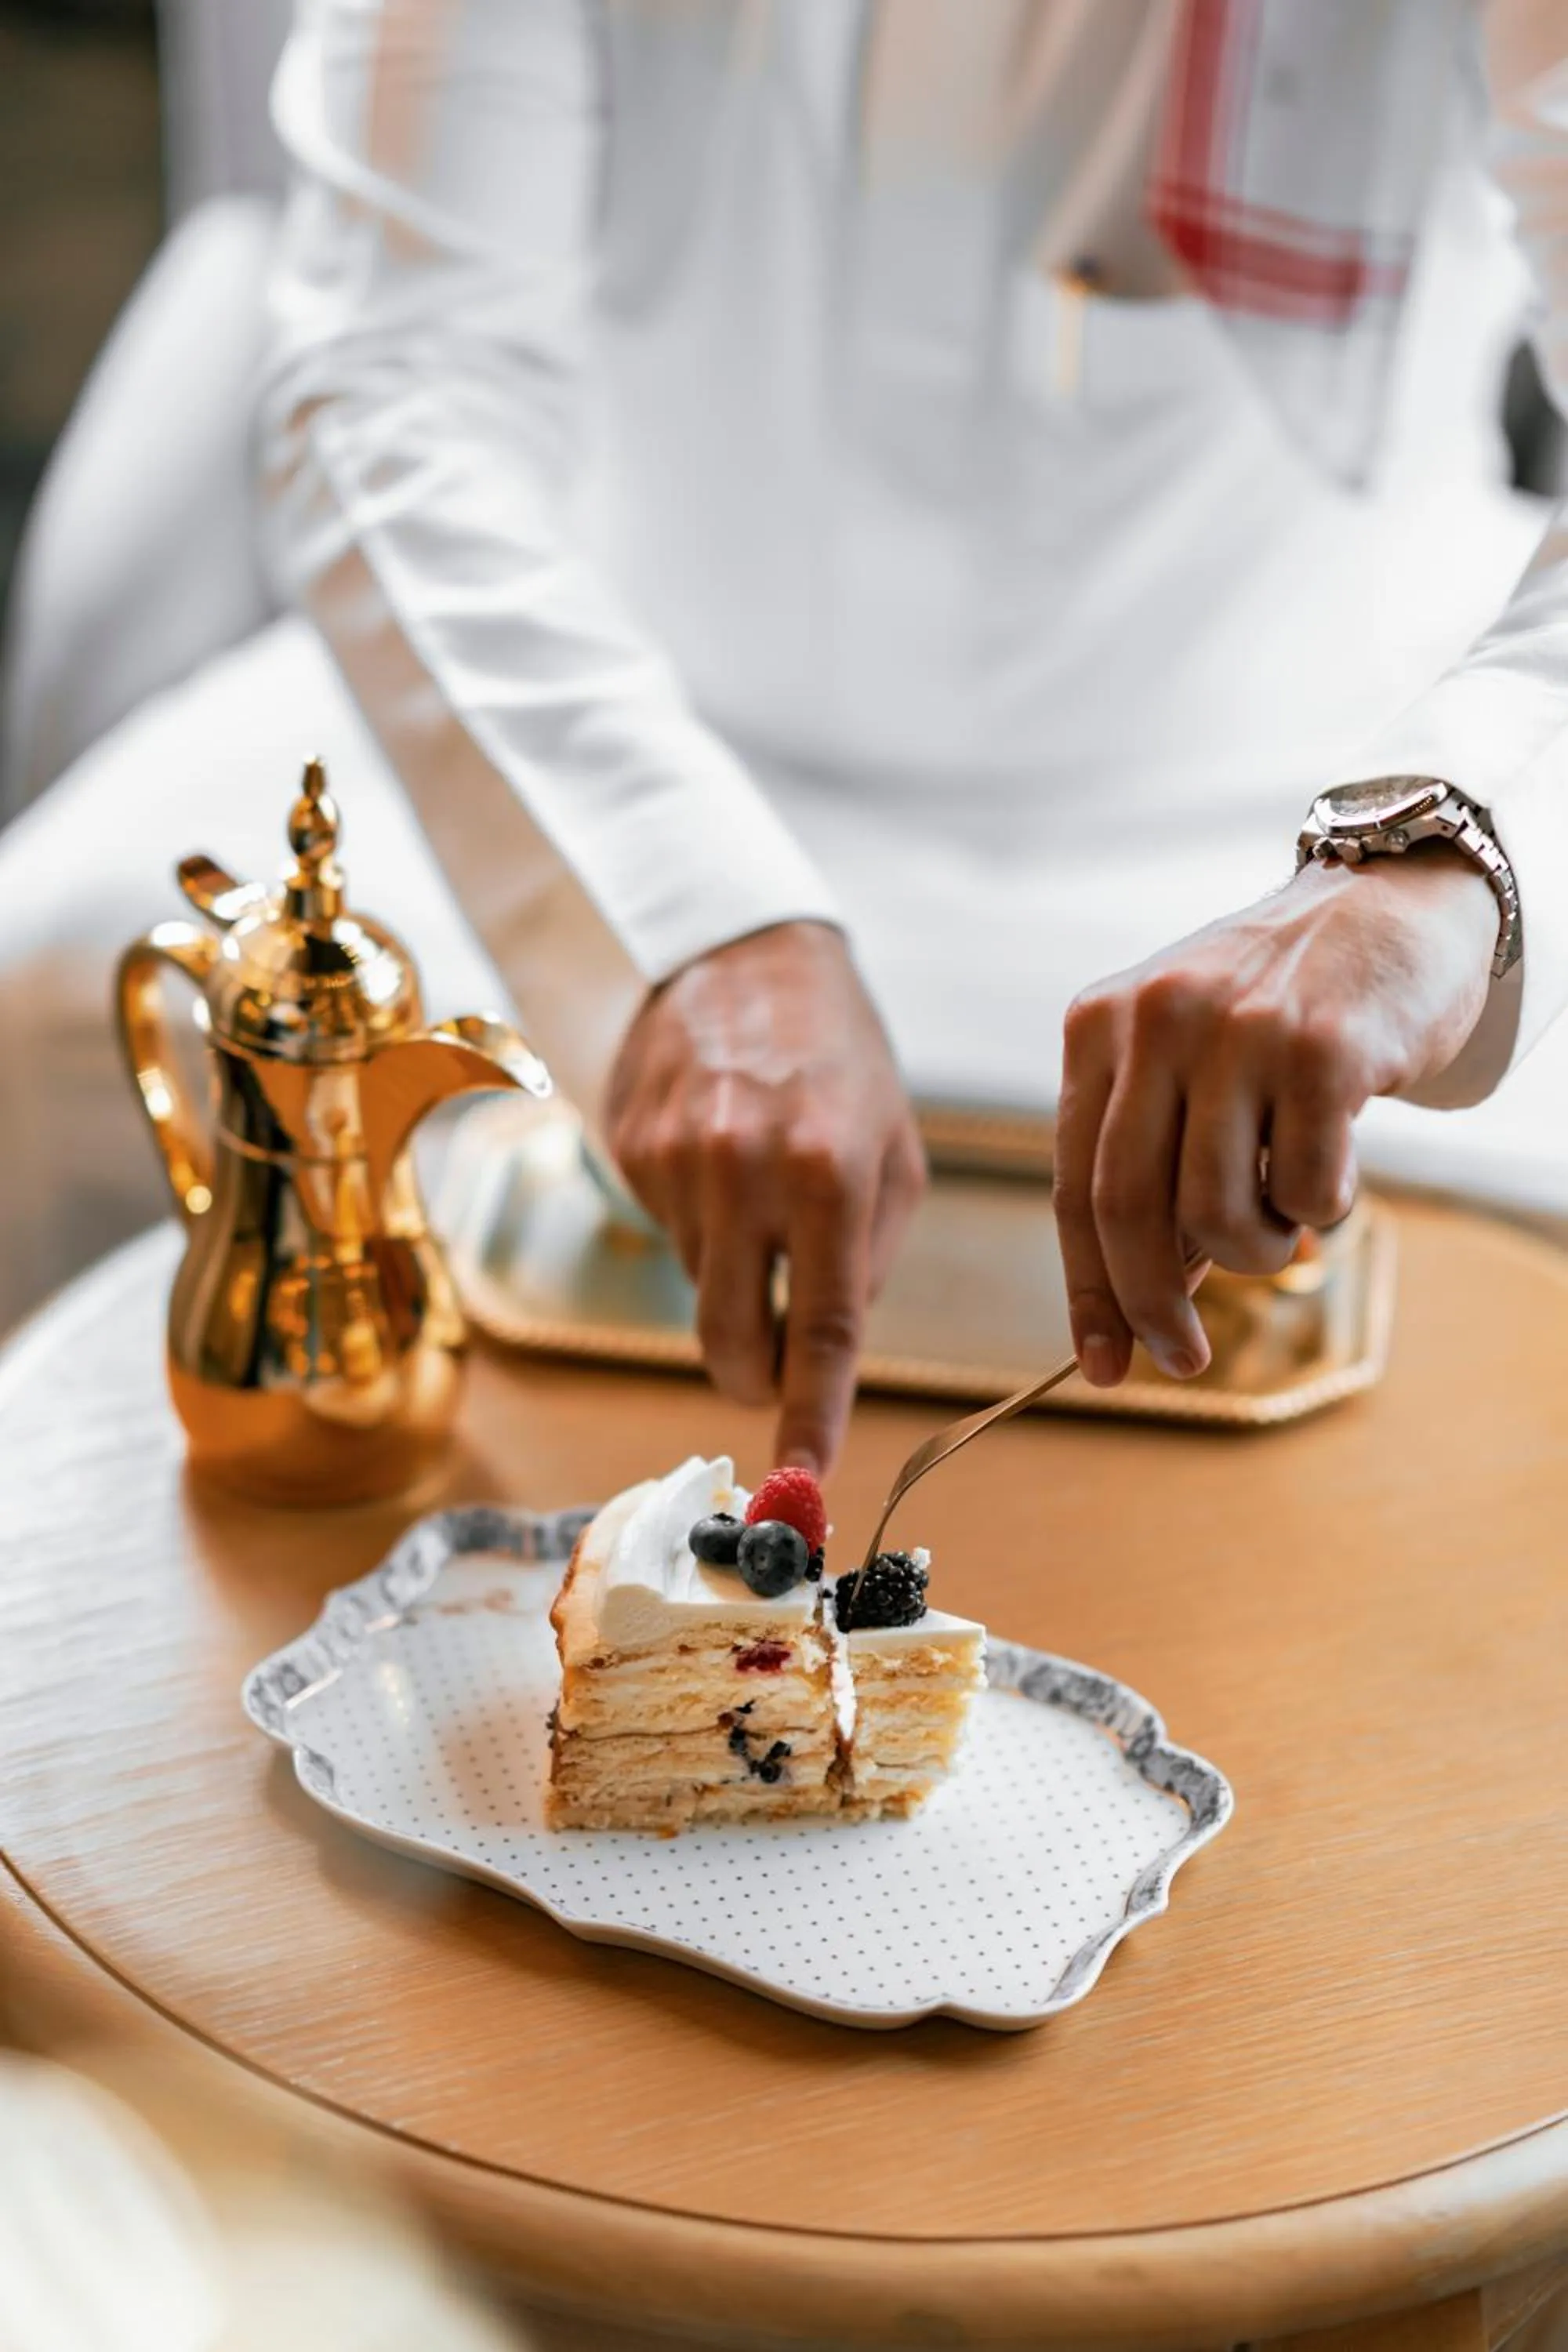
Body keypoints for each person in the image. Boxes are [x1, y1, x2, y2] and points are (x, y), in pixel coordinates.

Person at [2, 1, 1567, 1473]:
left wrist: (1435, 849)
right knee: (57, 985)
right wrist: (689, 916)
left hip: (1313, 791)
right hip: (606, 724)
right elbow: (391, 376)